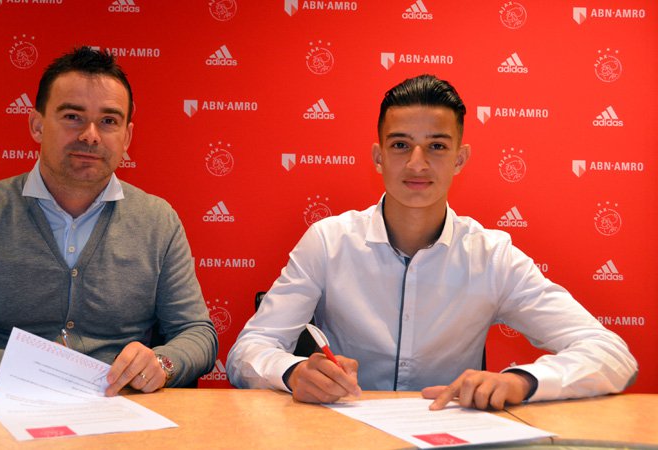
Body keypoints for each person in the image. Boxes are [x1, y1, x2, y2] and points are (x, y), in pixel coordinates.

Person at [226, 74, 637, 410]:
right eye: (400, 145)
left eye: (437, 146)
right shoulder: (328, 242)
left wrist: (522, 381)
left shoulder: (492, 256)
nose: (417, 163)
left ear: (460, 158)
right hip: (345, 433)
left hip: (451, 434)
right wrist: (293, 372)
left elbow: (610, 353)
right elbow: (249, 350)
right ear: (378, 157)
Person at [0, 47, 218, 395]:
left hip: (119, 410)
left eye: (108, 121)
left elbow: (197, 333)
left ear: (127, 137)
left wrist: (162, 363)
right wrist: (19, 369)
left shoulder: (158, 222)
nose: (90, 135)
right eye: (72, 116)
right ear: (37, 125)